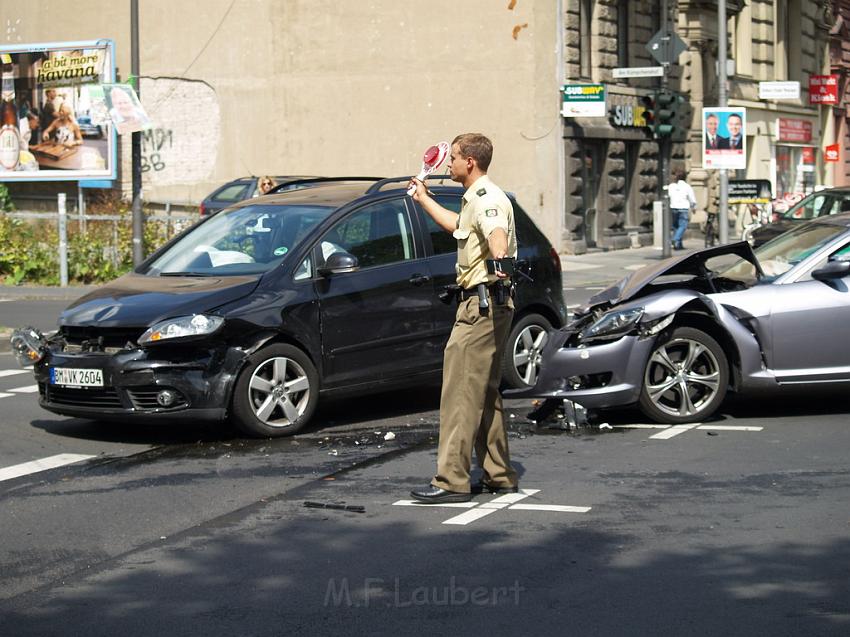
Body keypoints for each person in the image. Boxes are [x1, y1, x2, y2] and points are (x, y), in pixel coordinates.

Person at [408, 133, 519, 504]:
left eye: (453, 157)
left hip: (481, 307)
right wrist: (424, 199)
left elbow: (495, 234)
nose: (448, 163)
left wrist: (499, 261)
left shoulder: (488, 200)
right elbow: (459, 226)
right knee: (483, 392)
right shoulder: (476, 198)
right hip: (488, 305)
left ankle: (451, 480)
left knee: (458, 393)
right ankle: (498, 474)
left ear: (469, 161)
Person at [669, 167, 697, 250]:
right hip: (683, 208)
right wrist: (694, 207)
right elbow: (692, 198)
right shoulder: (687, 186)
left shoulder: (671, 186)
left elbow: (669, 196)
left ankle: (678, 245)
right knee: (683, 226)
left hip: (674, 208)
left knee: (676, 227)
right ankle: (675, 239)